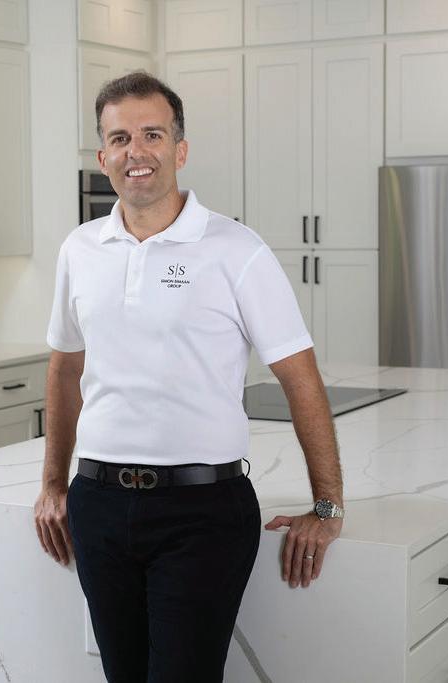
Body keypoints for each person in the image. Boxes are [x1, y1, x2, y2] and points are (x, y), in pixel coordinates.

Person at [33, 70, 345, 683]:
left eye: (152, 134)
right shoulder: (80, 250)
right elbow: (66, 368)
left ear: (180, 150)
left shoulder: (236, 249)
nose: (136, 151)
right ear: (102, 156)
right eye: (120, 138)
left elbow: (300, 377)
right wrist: (52, 483)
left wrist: (328, 504)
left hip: (203, 512)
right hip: (98, 506)